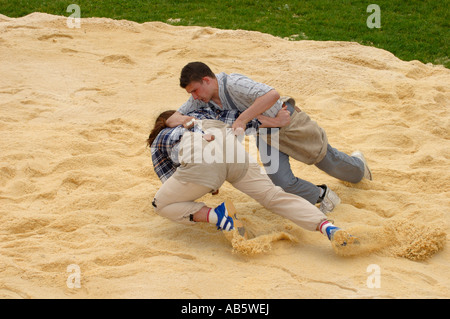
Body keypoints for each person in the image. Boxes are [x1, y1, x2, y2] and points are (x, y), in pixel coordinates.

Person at [166, 62, 373, 214]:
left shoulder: (233, 84)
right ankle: (322, 195)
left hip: (291, 124)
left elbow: (272, 95)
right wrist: (185, 121)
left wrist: (242, 120)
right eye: (190, 93)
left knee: (329, 162)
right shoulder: (200, 99)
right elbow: (172, 117)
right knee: (281, 181)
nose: (193, 97)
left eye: (195, 90)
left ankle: (359, 166)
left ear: (206, 80)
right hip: (266, 133)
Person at [148, 108, 358, 250]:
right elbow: (240, 120)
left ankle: (218, 216)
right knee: (272, 195)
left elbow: (172, 180)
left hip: (200, 154)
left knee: (161, 204)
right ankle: (327, 228)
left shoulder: (160, 138)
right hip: (231, 150)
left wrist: (206, 183)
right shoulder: (200, 115)